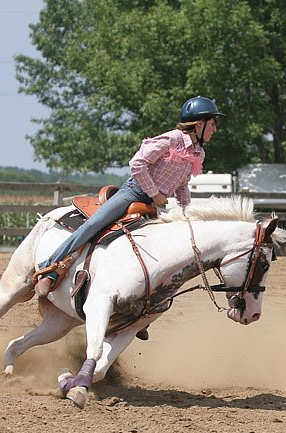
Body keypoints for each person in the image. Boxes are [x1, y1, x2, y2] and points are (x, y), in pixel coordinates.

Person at [34, 96, 224, 299]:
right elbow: (137, 164)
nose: (215, 129)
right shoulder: (171, 140)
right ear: (199, 124)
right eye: (213, 124)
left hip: (154, 204)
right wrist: (155, 193)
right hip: (134, 192)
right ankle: (50, 271)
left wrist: (187, 213)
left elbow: (183, 185)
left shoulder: (198, 152)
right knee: (93, 225)